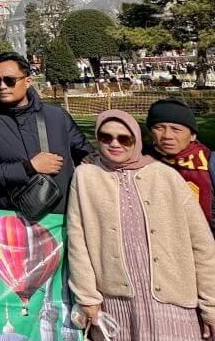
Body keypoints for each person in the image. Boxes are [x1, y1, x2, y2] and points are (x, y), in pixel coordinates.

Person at [66, 110, 215, 341]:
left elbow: (203, 245)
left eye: (124, 139)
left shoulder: (166, 176)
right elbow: (78, 241)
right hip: (116, 303)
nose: (115, 144)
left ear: (136, 140)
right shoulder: (86, 176)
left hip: (173, 302)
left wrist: (211, 306)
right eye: (106, 137)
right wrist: (87, 297)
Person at [0, 52, 93, 212]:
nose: (2, 86)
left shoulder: (56, 116)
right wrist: (29, 167)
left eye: (9, 80)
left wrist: (92, 159)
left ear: (27, 81)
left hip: (63, 217)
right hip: (14, 219)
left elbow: (85, 153)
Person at [146, 98, 215, 229]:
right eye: (159, 128)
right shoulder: (141, 161)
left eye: (176, 129)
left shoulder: (209, 163)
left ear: (192, 135)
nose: (167, 135)